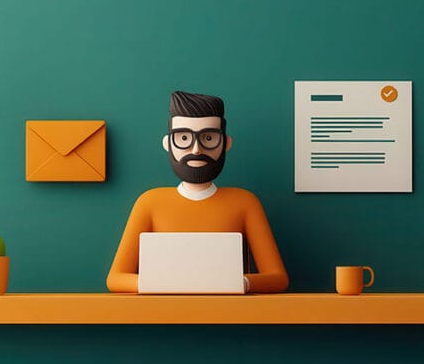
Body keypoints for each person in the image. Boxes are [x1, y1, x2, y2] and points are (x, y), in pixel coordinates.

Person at [106, 91, 289, 293]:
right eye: (184, 137)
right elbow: (115, 279)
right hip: (163, 315)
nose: (195, 150)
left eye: (208, 137)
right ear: (168, 144)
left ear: (226, 143)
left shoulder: (244, 202)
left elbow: (278, 278)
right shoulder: (149, 202)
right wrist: (161, 283)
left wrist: (237, 283)